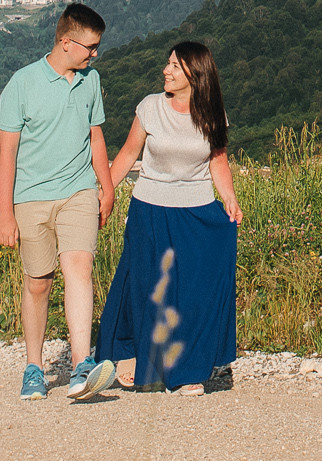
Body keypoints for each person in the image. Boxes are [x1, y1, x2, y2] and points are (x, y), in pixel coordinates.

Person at [90, 40, 243, 394]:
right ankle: (137, 361)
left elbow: (217, 161)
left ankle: (189, 372)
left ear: (195, 73)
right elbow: (128, 155)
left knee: (192, 292)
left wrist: (230, 199)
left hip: (197, 212)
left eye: (175, 66)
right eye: (168, 64)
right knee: (146, 288)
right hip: (150, 209)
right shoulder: (150, 108)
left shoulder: (213, 114)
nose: (166, 70)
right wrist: (105, 194)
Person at [0, 1, 119, 401]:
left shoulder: (91, 81)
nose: (94, 54)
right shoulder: (21, 84)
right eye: (90, 47)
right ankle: (34, 367)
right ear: (67, 43)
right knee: (38, 283)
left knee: (79, 266)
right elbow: (7, 155)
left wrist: (107, 186)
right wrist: (4, 214)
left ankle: (82, 364)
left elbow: (96, 137)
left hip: (78, 191)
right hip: (30, 198)